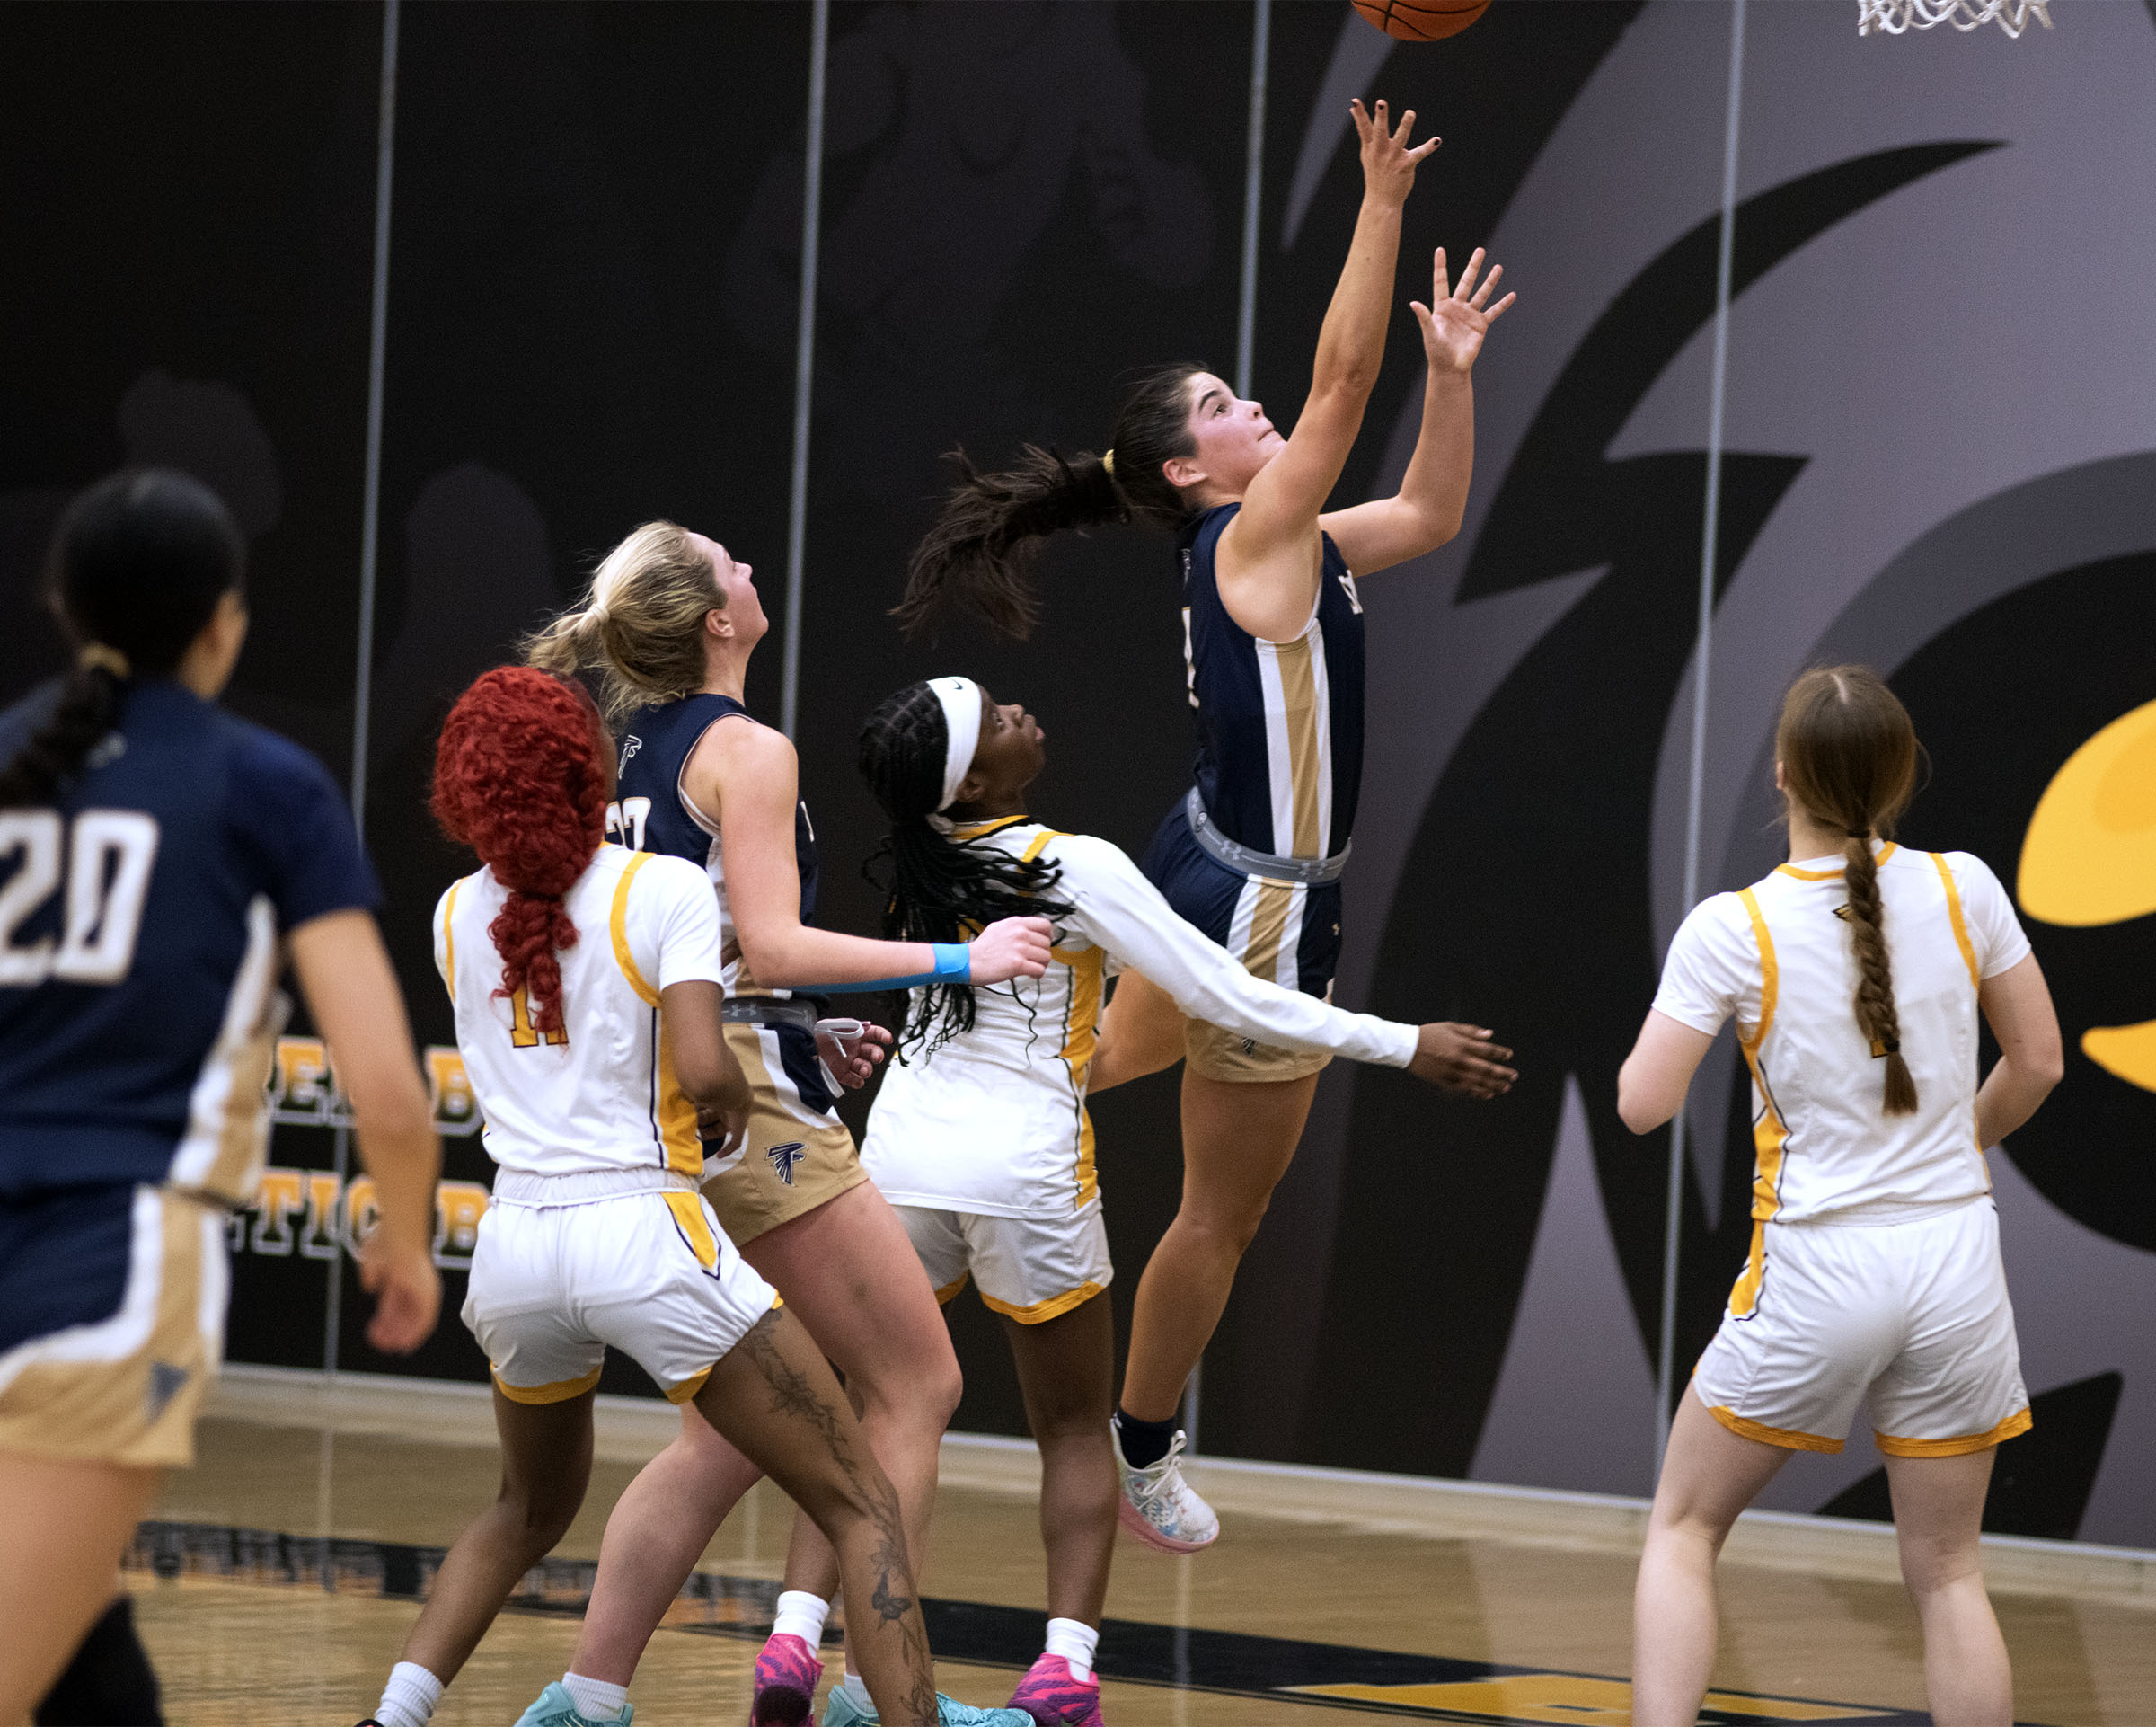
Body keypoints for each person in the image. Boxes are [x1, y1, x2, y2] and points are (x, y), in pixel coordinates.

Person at [896, 98, 1516, 1548]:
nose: (1261, 411)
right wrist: (1376, 205)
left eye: (1248, 395)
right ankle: (1145, 1437)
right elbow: (1345, 377)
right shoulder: (1251, 539)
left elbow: (1424, 510)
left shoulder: (1285, 541)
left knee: (1082, 1074)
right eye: (1230, 407)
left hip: (1207, 857)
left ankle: (919, 1124)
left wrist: (1458, 372)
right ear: (1191, 471)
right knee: (1218, 1212)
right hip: (1262, 901)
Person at [848, 675, 1517, 1723]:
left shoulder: (917, 861)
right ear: (973, 777)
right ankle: (1066, 1668)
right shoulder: (1075, 862)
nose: (1022, 705)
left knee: (872, 1417)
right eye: (995, 715)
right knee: (1073, 1429)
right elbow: (1231, 994)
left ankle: (811, 1654)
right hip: (1025, 1173)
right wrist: (1404, 1044)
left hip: (897, 1165)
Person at [360, 667, 965, 1727]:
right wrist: (733, 1094)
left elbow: (580, 1011)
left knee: (524, 1507)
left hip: (514, 1248)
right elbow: (701, 1061)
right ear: (584, 766)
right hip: (643, 1232)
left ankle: (396, 1715)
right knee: (861, 1493)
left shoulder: (457, 909)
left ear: (465, 792)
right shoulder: (662, 887)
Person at [523, 525, 1047, 1726]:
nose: (751, 568)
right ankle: (879, 1696)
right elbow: (766, 941)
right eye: (731, 563)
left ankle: (585, 1699)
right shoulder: (744, 749)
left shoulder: (622, 751)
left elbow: (692, 950)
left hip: (673, 1101)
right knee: (917, 1381)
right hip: (747, 1115)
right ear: (714, 618)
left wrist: (801, 1027)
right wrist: (961, 952)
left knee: (730, 1435)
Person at [0, 470, 442, 1725]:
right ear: (225, 623)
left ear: (59, 604)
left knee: (82, 1652)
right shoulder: (264, 784)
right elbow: (389, 1093)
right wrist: (402, 1239)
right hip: (110, 1261)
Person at [1616, 666, 2063, 1727]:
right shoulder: (1968, 886)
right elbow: (2037, 1062)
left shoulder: (1734, 924)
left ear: (1782, 776)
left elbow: (1642, 1104)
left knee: (1682, 1528)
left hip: (1818, 1267)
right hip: (1956, 1262)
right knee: (1951, 1573)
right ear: (1901, 776)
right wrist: (1956, 1143)